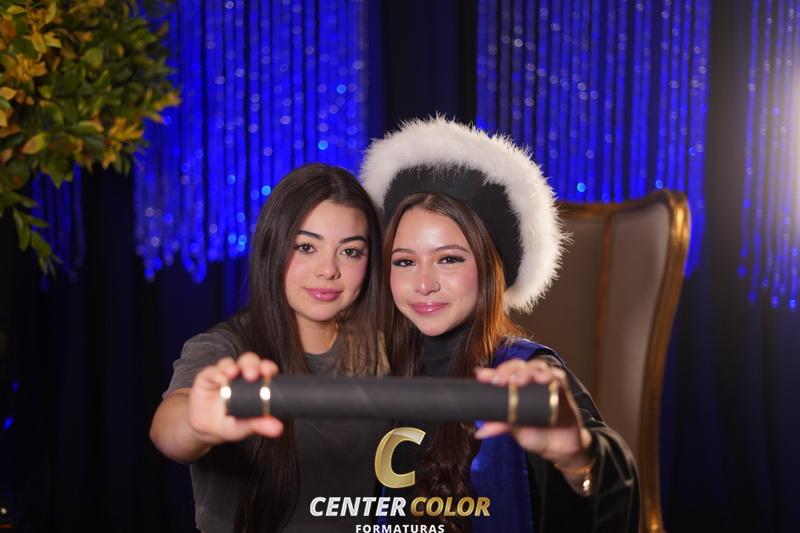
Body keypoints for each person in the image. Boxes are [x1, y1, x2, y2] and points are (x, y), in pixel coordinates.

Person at [360, 118, 640, 532]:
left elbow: (611, 499)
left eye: (449, 258)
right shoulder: (372, 368)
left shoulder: (526, 373)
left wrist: (577, 458)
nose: (423, 283)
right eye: (404, 261)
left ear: (490, 269)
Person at [150, 163, 389, 533]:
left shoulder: (382, 347)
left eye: (351, 252)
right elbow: (169, 428)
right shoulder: (226, 348)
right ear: (272, 248)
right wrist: (199, 422)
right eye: (306, 247)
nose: (328, 270)